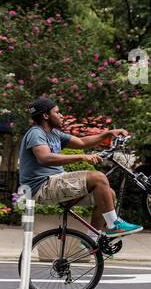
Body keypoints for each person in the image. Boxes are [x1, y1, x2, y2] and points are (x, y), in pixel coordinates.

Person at [18, 97, 143, 238]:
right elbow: (45, 158)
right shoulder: (36, 133)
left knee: (108, 194)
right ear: (46, 116)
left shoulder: (54, 133)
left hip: (52, 183)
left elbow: (82, 142)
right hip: (41, 186)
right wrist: (82, 157)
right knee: (98, 177)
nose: (61, 116)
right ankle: (114, 224)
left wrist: (108, 134)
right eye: (57, 112)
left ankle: (91, 240)